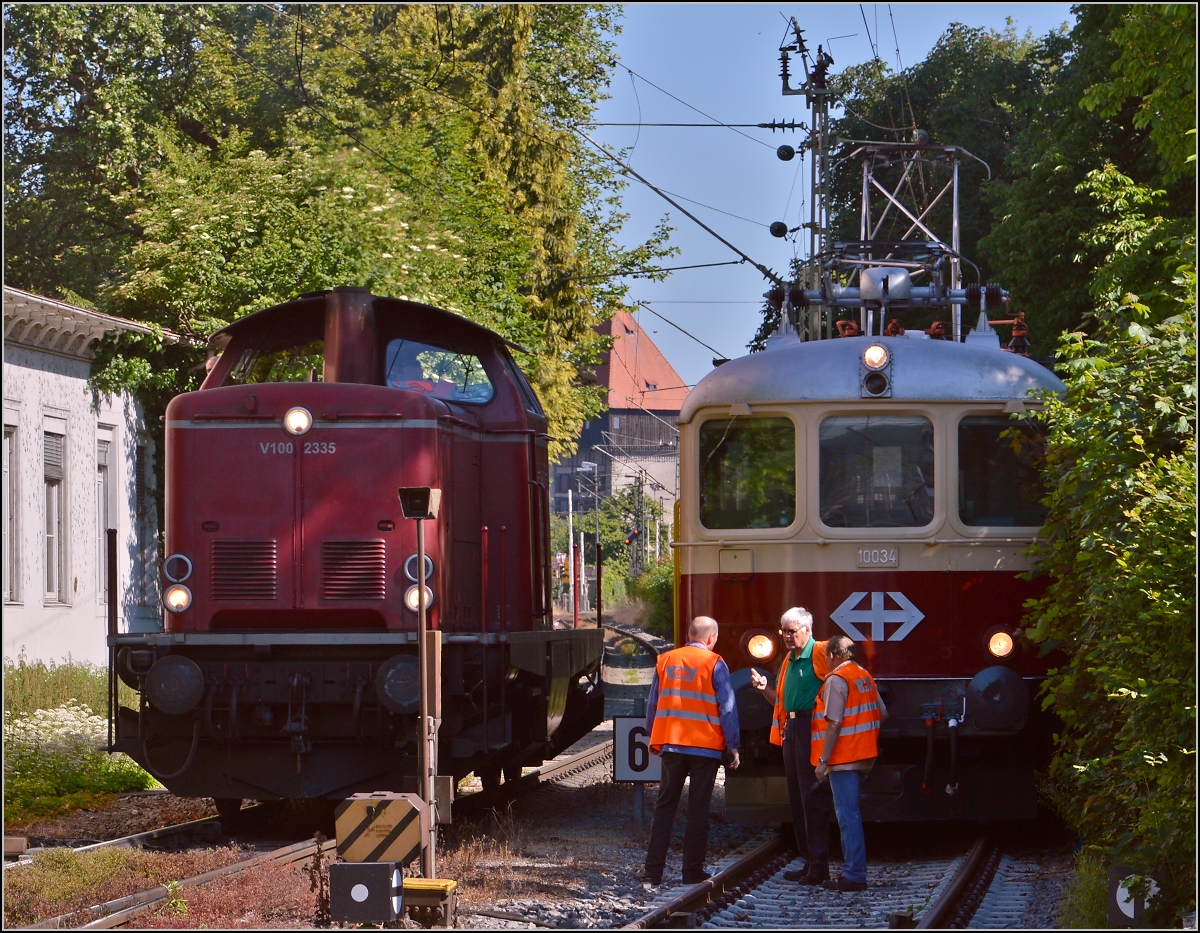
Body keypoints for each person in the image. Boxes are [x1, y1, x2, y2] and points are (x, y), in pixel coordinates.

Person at [643, 616, 740, 887]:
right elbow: (727, 707)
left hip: (672, 744)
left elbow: (653, 702)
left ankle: (652, 873)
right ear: (712, 637)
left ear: (689, 634)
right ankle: (692, 872)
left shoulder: (666, 660)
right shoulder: (715, 663)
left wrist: (654, 737)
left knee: (664, 807)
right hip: (705, 748)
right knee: (698, 811)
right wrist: (732, 745)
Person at [751, 607, 834, 885]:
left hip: (813, 729)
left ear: (807, 630)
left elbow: (843, 682)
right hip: (794, 729)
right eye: (783, 631)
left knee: (813, 798)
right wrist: (764, 687)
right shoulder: (788, 659)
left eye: (791, 631)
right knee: (799, 798)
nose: (786, 636)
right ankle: (810, 861)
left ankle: (819, 864)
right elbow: (781, 702)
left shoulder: (821, 653)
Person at [811, 635, 888, 893]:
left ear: (832, 655)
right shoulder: (863, 675)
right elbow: (883, 713)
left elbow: (833, 722)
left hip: (843, 760)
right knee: (851, 814)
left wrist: (823, 761)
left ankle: (854, 875)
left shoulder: (836, 679)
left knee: (847, 817)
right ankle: (855, 873)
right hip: (864, 756)